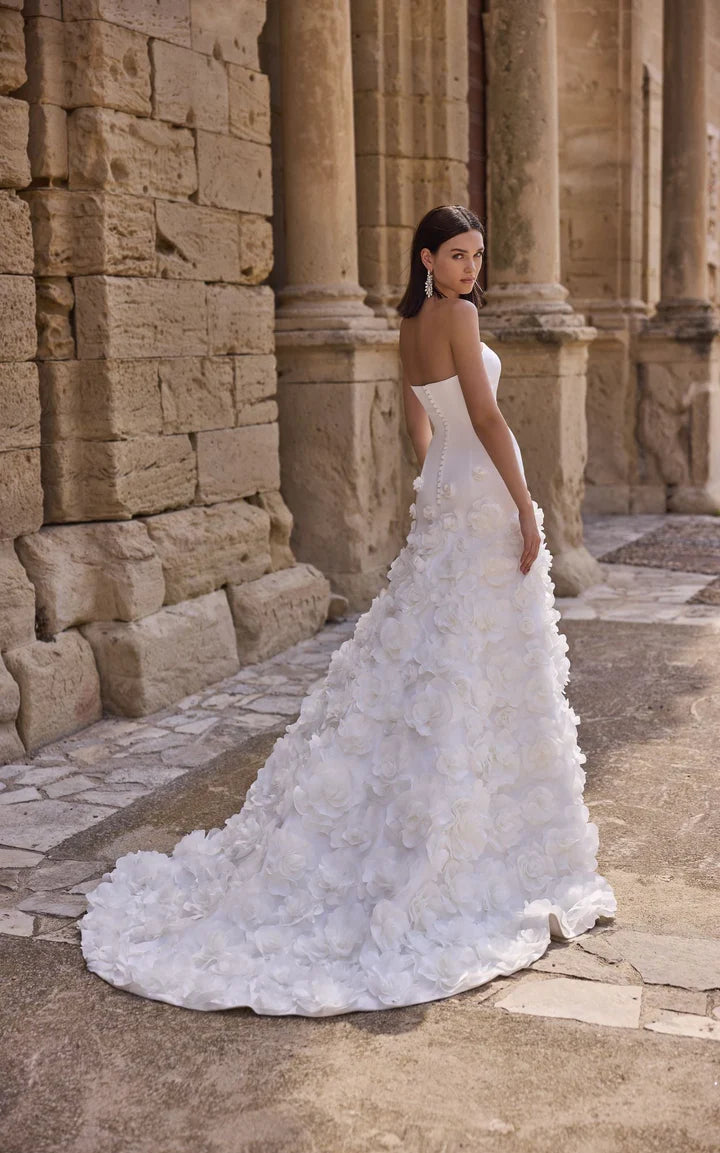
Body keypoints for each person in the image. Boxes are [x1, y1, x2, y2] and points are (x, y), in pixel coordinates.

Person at [80, 204, 617, 1017]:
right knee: (477, 657)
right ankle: (491, 839)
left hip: (447, 500)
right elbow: (486, 414)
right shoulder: (461, 316)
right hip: (476, 503)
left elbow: (419, 426)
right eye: (458, 256)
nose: (472, 269)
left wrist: (439, 489)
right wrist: (523, 506)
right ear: (427, 257)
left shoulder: (412, 322)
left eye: (478, 256)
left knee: (436, 655)